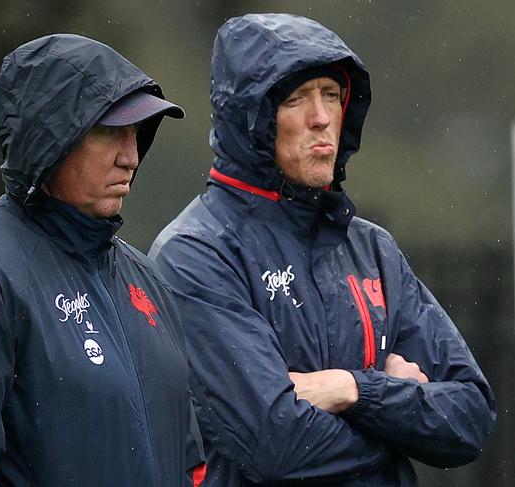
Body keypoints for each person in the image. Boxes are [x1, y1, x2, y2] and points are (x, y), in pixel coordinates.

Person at [149, 13, 495, 486]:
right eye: (296, 99)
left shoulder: (373, 247)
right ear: (251, 120)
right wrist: (403, 416)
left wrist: (354, 390)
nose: (322, 118)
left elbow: (471, 419)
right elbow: (276, 445)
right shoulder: (195, 253)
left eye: (332, 95)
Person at [0, 34, 205, 486]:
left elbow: (191, 462)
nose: (131, 156)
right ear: (51, 140)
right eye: (109, 132)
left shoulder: (147, 281)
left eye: (136, 133)